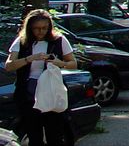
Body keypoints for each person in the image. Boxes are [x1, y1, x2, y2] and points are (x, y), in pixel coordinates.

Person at [4, 9, 77, 144]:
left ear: (49, 27)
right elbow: (9, 66)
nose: (41, 32)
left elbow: (73, 63)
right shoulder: (21, 42)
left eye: (44, 28)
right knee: (34, 136)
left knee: (54, 136)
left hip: (51, 91)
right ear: (29, 28)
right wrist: (29, 59)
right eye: (36, 28)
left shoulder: (59, 40)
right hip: (28, 94)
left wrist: (59, 63)